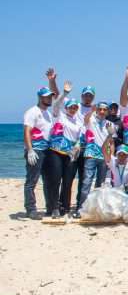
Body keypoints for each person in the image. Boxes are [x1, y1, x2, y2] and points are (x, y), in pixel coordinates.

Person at [75, 101, 115, 218]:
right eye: (100, 109)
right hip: (91, 154)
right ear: (97, 110)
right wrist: (91, 111)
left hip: (104, 156)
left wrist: (111, 157)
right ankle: (81, 209)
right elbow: (85, 119)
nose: (102, 112)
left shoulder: (110, 124)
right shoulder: (91, 120)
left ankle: (96, 209)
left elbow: (111, 143)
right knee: (86, 182)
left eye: (104, 110)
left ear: (107, 112)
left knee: (100, 184)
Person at [49, 87, 85, 217]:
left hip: (70, 155)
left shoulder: (78, 122)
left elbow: (81, 136)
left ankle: (66, 208)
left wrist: (78, 145)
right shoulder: (59, 116)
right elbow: (56, 104)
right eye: (71, 107)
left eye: (75, 107)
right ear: (66, 107)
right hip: (56, 152)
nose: (73, 109)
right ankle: (54, 207)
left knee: (68, 182)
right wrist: (64, 94)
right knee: (56, 180)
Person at [23, 82, 56, 219]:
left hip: (47, 150)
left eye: (50, 97)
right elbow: (27, 131)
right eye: (46, 97)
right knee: (32, 181)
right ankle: (30, 209)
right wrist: (30, 150)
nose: (49, 99)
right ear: (40, 97)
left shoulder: (48, 113)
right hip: (36, 150)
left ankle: (50, 208)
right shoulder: (32, 112)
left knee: (48, 180)